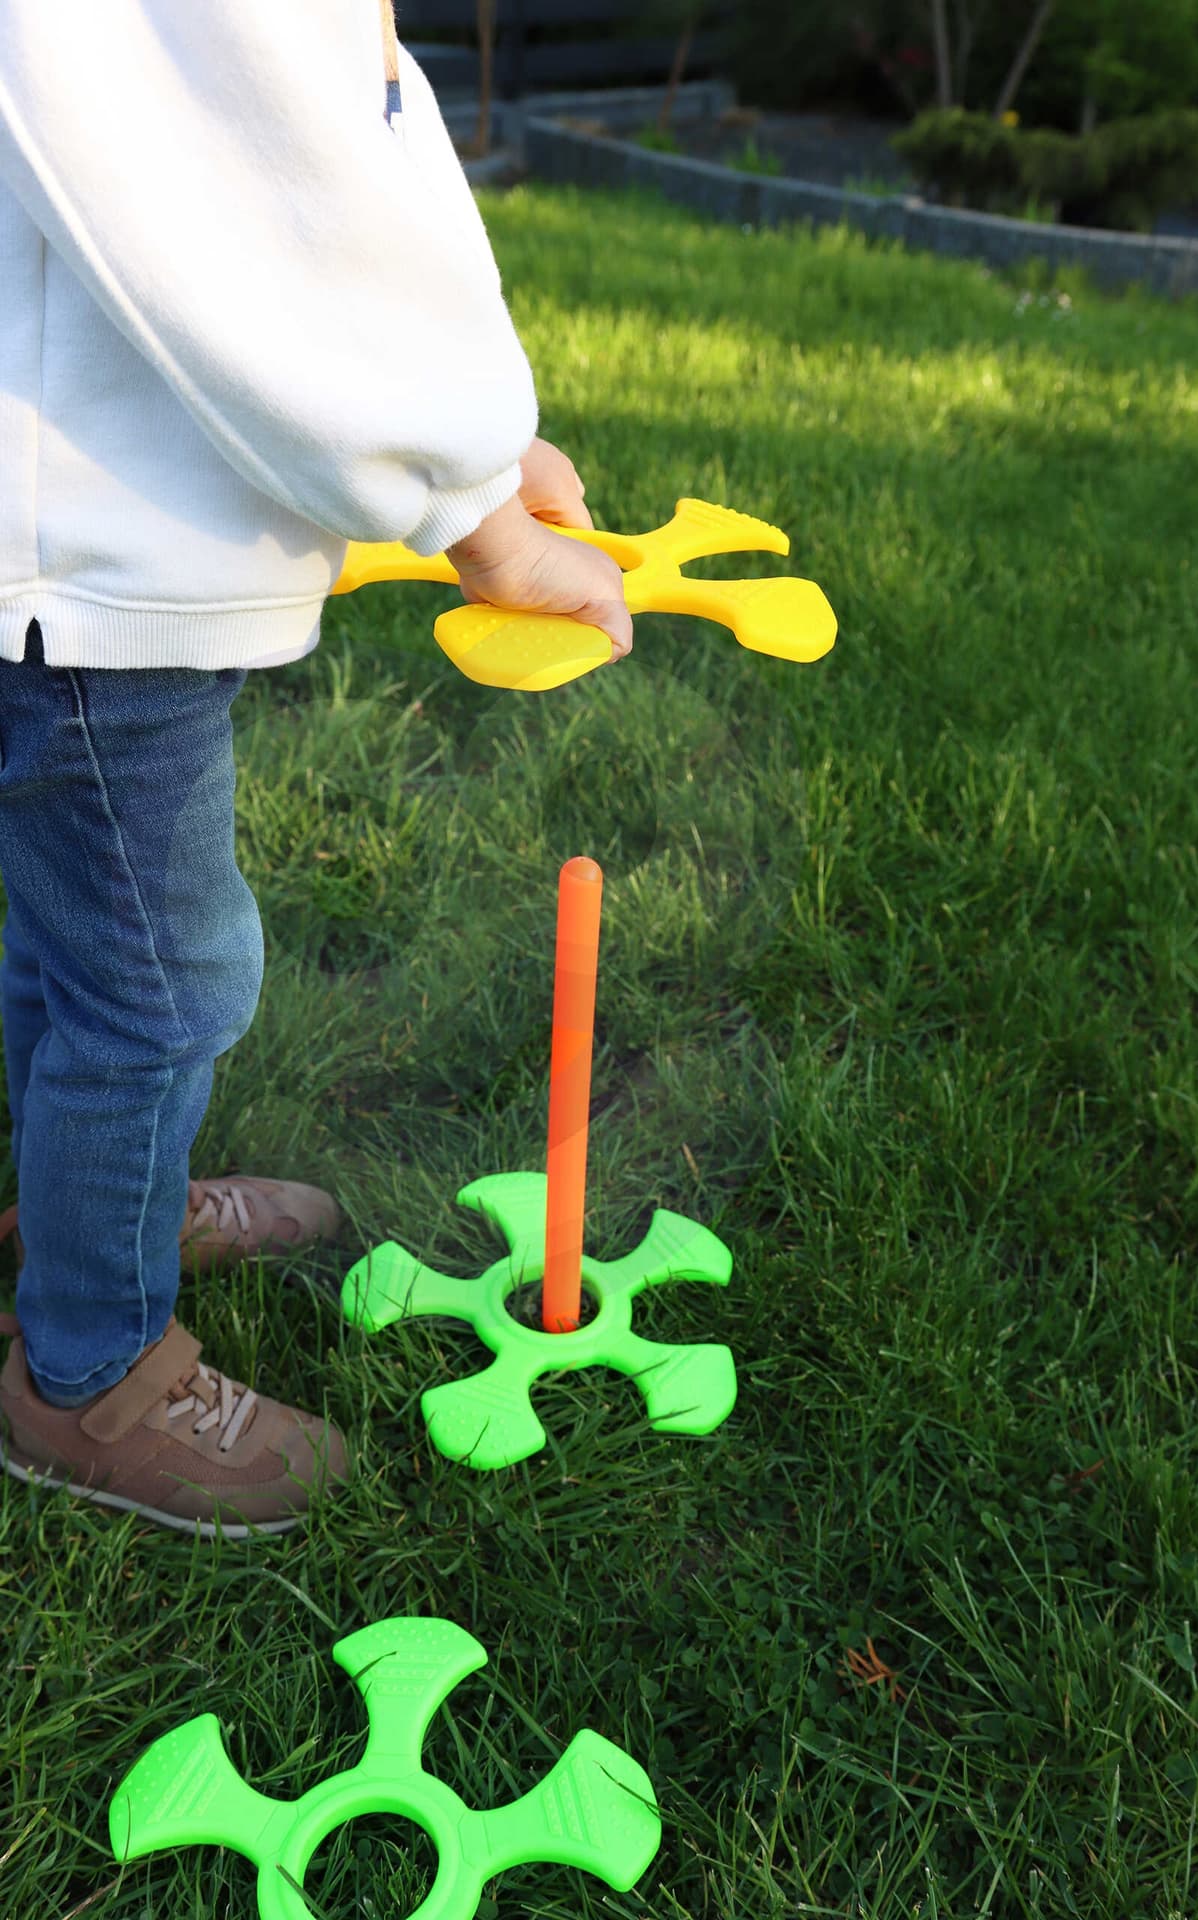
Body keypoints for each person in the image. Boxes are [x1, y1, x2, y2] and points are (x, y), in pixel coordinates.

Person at [0, 0, 632, 1539]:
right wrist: (468, 504)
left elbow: (348, 117)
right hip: (86, 571)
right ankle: (89, 1367)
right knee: (162, 988)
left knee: (70, 947)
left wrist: (478, 448)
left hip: (70, 538)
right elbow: (255, 183)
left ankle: (76, 1224)